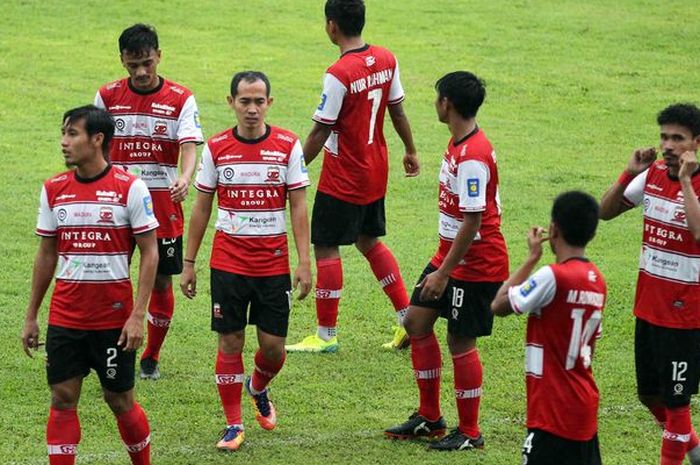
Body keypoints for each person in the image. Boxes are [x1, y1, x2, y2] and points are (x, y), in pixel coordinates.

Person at [180, 71, 312, 451]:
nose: (252, 109)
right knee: (230, 342)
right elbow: (202, 207)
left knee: (273, 348)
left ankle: (257, 386)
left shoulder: (287, 144)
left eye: (258, 101)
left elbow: (299, 205)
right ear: (231, 102)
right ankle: (233, 425)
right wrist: (189, 262)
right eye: (244, 101)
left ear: (269, 103)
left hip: (272, 265)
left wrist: (304, 262)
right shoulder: (217, 147)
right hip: (228, 264)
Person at [21, 105, 158, 465]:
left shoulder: (130, 188)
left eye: (72, 134)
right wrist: (32, 315)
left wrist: (137, 315)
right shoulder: (54, 189)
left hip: (113, 321)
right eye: (63, 133)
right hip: (66, 318)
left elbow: (150, 252)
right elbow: (46, 254)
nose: (64, 143)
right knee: (63, 397)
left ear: (97, 139)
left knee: (120, 401)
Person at [285, 0, 419, 353]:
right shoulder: (387, 59)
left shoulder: (339, 73)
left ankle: (325, 335)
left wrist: (293, 170)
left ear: (332, 26)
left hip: (344, 174)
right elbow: (398, 109)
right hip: (376, 169)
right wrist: (411, 149)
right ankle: (408, 318)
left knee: (327, 244)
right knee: (368, 241)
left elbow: (318, 132)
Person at [384, 71, 508, 450]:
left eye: (437, 98)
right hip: (450, 257)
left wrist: (444, 273)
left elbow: (473, 222)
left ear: (447, 104)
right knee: (416, 322)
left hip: (475, 264)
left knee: (460, 341)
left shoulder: (472, 156)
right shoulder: (459, 143)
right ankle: (430, 418)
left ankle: (470, 432)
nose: (435, 103)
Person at [94, 23, 204, 380]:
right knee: (109, 279)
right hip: (114, 203)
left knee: (159, 281)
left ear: (159, 56)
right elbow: (95, 147)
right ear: (122, 60)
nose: (141, 72)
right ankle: (106, 352)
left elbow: (189, 144)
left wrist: (185, 176)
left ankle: (151, 356)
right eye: (132, 64)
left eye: (147, 63)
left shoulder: (180, 98)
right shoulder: (107, 96)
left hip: (161, 205)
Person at [600, 103, 700, 465]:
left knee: (676, 403)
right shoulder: (654, 173)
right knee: (649, 395)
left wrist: (687, 181)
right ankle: (695, 452)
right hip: (648, 307)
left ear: (696, 144)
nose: (669, 145)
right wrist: (628, 174)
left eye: (678, 138)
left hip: (686, 315)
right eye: (664, 137)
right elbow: (605, 211)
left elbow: (698, 230)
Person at [491, 191, 606, 465]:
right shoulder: (597, 280)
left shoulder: (552, 276)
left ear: (554, 229)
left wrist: (531, 258)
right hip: (584, 408)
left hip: (552, 411)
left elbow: (499, 305)